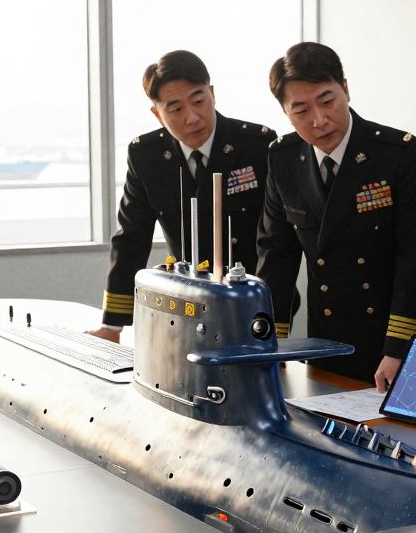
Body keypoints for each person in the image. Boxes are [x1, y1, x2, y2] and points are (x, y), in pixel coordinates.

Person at [256, 42, 416, 388]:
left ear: (346, 89)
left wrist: (400, 349)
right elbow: (276, 258)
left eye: (327, 101)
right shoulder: (283, 159)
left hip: (402, 339)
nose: (319, 120)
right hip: (331, 342)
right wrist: (269, 346)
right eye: (300, 110)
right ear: (285, 112)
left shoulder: (396, 153)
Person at [90, 50, 276, 341]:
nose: (192, 118)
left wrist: (275, 326)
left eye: (199, 101)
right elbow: (131, 238)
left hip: (251, 304)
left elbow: (278, 244)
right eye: (175, 109)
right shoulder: (147, 156)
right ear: (157, 114)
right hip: (187, 307)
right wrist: (112, 325)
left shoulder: (256, 145)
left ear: (212, 94)